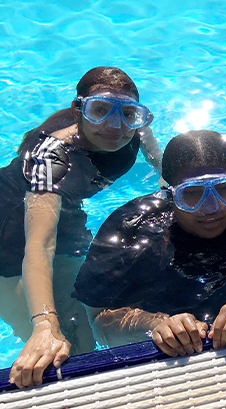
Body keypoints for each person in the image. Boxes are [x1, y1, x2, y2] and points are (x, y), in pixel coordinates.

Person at [73, 130, 226, 358]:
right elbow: (99, 319)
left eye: (225, 190)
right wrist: (154, 324)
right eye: (191, 193)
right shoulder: (130, 230)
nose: (211, 208)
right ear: (169, 195)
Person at [1, 67, 161, 388]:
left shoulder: (133, 127)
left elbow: (151, 148)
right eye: (100, 110)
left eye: (129, 113)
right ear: (79, 110)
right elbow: (39, 244)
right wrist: (44, 324)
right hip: (9, 233)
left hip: (67, 214)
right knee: (69, 352)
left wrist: (164, 168)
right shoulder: (49, 158)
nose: (115, 126)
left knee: (96, 325)